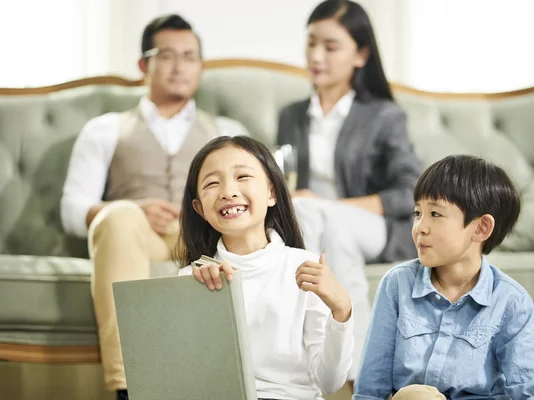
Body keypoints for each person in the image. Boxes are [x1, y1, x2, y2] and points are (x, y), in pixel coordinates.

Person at [60, 14, 247, 399]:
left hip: (200, 237)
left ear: (200, 66)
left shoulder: (227, 130)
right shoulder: (106, 128)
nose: (179, 66)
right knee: (119, 216)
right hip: (134, 237)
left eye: (189, 56)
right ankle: (126, 387)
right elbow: (72, 209)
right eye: (166, 55)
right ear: (143, 64)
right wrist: (129, 207)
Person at [277, 0, 422, 380]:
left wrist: (329, 205)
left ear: (360, 55)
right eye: (311, 43)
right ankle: (357, 375)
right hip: (318, 229)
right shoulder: (291, 116)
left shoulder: (384, 115)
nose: (316, 55)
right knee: (325, 227)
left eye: (330, 46)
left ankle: (352, 370)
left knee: (319, 213)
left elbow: (410, 190)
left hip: (376, 227)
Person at [353, 155, 534, 400]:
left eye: (435, 214)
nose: (420, 227)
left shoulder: (510, 301)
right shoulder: (396, 285)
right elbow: (370, 391)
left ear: (481, 228)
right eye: (418, 213)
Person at [177, 135, 354, 400]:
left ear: (272, 193)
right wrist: (198, 300)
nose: (228, 192)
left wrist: (341, 311)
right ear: (199, 209)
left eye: (243, 177)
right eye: (212, 183)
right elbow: (182, 380)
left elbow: (329, 382)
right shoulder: (191, 278)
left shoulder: (304, 267)